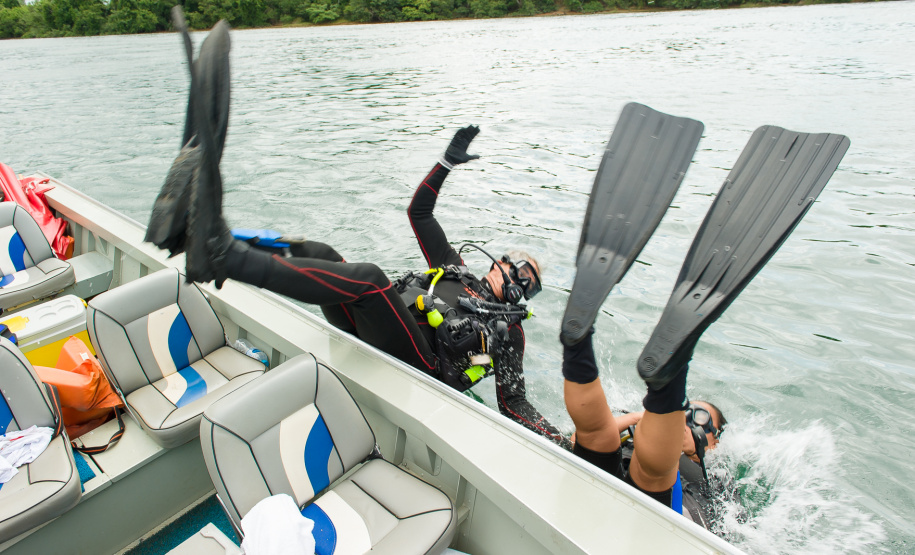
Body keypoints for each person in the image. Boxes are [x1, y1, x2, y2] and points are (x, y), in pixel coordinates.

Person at [145, 19, 569, 449]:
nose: (521, 283)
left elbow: (515, 402)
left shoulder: (509, 332)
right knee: (324, 253)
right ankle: (206, 238)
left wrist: (565, 442)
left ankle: (224, 256)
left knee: (369, 278)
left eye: (529, 286)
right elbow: (419, 213)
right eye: (520, 270)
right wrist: (445, 164)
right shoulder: (455, 267)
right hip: (374, 328)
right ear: (499, 263)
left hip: (421, 365)